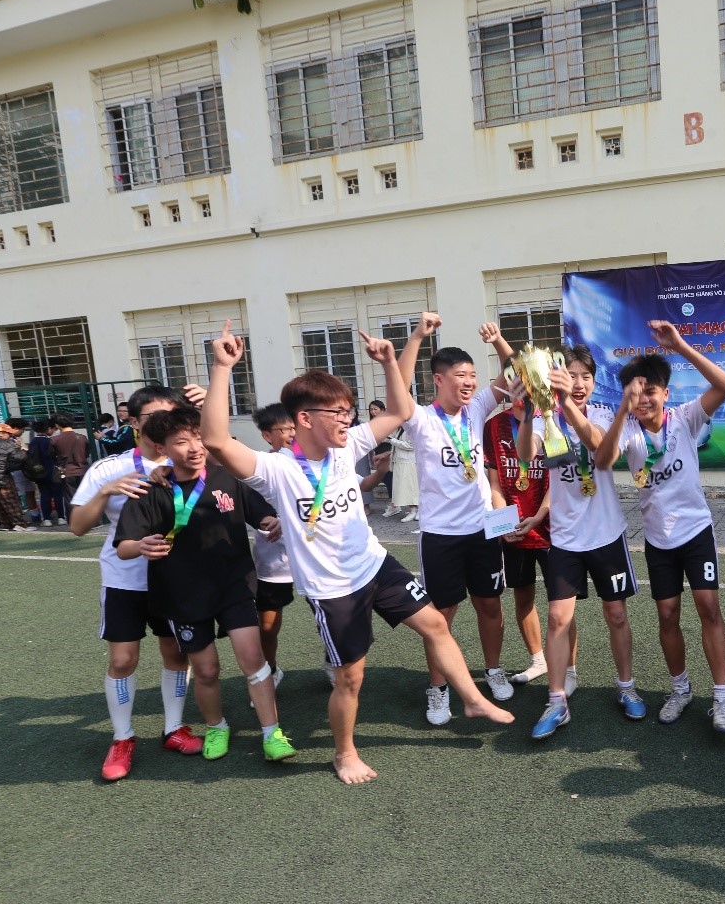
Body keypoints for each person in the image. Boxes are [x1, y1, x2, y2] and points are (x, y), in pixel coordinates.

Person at [201, 320, 513, 784]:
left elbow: (400, 409)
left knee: (435, 624)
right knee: (351, 677)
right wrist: (222, 367)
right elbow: (215, 440)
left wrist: (389, 361)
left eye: (349, 411)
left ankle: (470, 698)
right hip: (332, 588)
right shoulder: (275, 469)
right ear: (305, 418)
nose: (348, 420)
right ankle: (344, 754)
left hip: (375, 564)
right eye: (338, 412)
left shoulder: (349, 447)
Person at [115, 406, 296, 763]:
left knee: (253, 659)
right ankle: (216, 726)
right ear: (162, 448)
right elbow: (123, 547)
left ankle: (272, 733)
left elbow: (262, 513)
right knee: (206, 670)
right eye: (182, 441)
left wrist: (270, 521)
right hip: (182, 595)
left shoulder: (227, 477)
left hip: (233, 586)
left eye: (198, 437)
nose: (195, 447)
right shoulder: (151, 490)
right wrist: (141, 546)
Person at [595, 321, 725, 732]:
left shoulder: (685, 417)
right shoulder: (628, 430)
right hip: (658, 540)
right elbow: (603, 461)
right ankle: (680, 689)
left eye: (650, 391)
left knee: (709, 608)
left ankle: (722, 697)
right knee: (668, 615)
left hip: (696, 532)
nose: (644, 400)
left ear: (665, 393)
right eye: (636, 393)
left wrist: (679, 345)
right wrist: (622, 410)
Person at [69, 384, 208, 781]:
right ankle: (122, 737)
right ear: (134, 421)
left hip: (175, 579)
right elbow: (77, 526)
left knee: (176, 654)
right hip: (124, 578)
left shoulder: (194, 459)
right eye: (153, 417)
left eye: (172, 415)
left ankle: (174, 727)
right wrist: (106, 491)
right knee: (122, 660)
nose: (164, 422)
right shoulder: (108, 468)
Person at [395, 316, 520, 718]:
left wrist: (498, 340)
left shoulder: (477, 407)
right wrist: (418, 336)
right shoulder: (420, 419)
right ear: (439, 379)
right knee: (441, 617)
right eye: (460, 376)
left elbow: (516, 372)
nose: (469, 382)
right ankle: (438, 687)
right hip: (440, 535)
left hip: (483, 529)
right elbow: (398, 388)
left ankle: (494, 670)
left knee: (490, 606)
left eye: (472, 375)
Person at [518, 343, 643, 739]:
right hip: (566, 538)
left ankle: (626, 686)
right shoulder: (547, 418)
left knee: (616, 614)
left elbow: (600, 451)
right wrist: (529, 413)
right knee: (558, 617)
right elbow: (526, 455)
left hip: (606, 534)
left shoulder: (603, 413)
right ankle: (557, 701)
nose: (578, 383)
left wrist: (565, 405)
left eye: (585, 376)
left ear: (593, 382)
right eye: (570, 375)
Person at [484, 392, 552, 687]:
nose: (524, 390)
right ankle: (539, 660)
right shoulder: (494, 425)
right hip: (512, 529)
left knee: (561, 603)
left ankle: (567, 668)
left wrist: (539, 516)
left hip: (551, 527)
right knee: (522, 597)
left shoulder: (552, 421)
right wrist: (503, 524)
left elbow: (560, 479)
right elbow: (495, 483)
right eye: (517, 380)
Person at [250, 404, 298, 690]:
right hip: (273, 562)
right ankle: (270, 669)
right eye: (285, 429)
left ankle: (333, 662)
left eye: (294, 427)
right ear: (267, 435)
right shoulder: (258, 468)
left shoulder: (312, 462)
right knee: (267, 625)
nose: (292, 434)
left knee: (328, 618)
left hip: (314, 558)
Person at [0, 419, 28, 531]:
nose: (10, 436)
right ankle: (19, 523)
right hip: (1, 476)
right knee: (11, 500)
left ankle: (4, 524)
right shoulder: (2, 444)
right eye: (8, 433)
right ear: (1, 433)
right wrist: (22, 450)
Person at [50, 414, 90, 504]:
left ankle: (74, 513)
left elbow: (51, 455)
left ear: (57, 425)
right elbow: (87, 454)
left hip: (66, 472)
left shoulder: (54, 440)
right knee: (86, 498)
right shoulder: (82, 437)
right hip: (83, 470)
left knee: (71, 500)